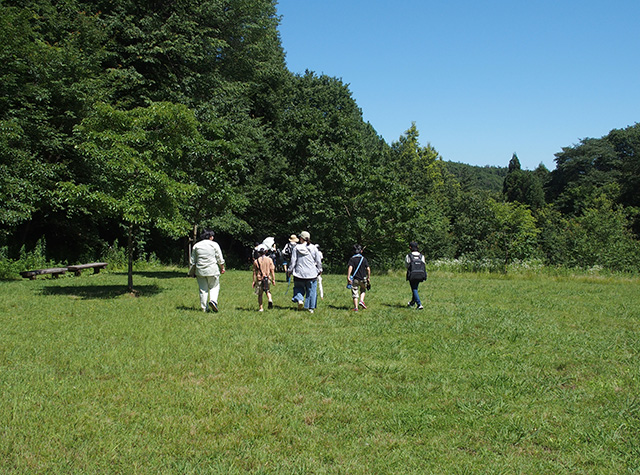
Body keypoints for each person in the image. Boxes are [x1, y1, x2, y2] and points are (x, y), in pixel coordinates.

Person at [190, 230, 225, 312]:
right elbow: (220, 258)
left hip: (200, 270)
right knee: (214, 286)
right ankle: (213, 300)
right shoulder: (214, 244)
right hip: (212, 269)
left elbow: (193, 261)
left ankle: (204, 308)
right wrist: (222, 267)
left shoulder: (196, 245)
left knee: (203, 289)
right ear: (210, 237)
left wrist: (192, 271)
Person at [287, 231, 322, 313]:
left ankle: (300, 300)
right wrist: (320, 269)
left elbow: (293, 261)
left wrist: (289, 271)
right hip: (311, 273)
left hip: (299, 273)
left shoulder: (296, 248)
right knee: (311, 291)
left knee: (298, 288)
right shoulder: (314, 248)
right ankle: (310, 308)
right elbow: (318, 260)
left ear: (301, 238)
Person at [346, 244, 371, 311]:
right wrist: (368, 277)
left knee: (355, 292)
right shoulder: (364, 259)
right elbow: (368, 269)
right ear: (361, 251)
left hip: (355, 279)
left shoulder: (352, 259)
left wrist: (348, 276)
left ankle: (356, 308)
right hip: (363, 278)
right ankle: (361, 300)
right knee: (363, 289)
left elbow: (350, 267)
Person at [252, 246, 275, 311]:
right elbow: (272, 270)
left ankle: (261, 308)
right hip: (267, 278)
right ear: (266, 252)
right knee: (267, 290)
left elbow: (254, 272)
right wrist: (273, 279)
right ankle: (270, 299)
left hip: (259, 279)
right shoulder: (269, 260)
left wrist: (253, 281)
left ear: (258, 253)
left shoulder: (256, 261)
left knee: (260, 294)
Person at [405, 241, 426, 310]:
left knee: (414, 289)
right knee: (415, 288)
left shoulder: (409, 256)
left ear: (410, 247)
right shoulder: (421, 256)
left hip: (412, 274)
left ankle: (419, 304)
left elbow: (407, 265)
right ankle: (412, 302)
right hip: (420, 274)